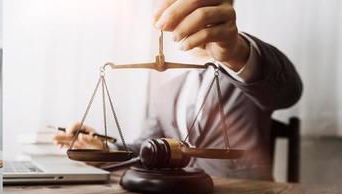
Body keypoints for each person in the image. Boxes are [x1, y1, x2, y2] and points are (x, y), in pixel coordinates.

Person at [53, 0, 302, 180]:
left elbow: (288, 91)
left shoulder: (244, 72)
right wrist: (106, 148)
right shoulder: (167, 91)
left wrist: (236, 51)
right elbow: (148, 147)